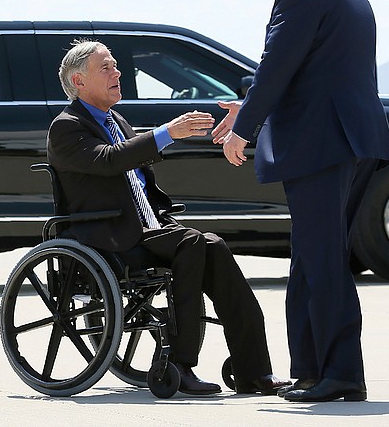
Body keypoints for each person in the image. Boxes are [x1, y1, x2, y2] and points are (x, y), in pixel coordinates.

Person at [212, 0, 389, 402]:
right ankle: (312, 369)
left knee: (321, 261)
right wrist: (252, 104)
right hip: (349, 141)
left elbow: (278, 64)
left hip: (321, 145)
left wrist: (243, 126)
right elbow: (310, 69)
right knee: (314, 258)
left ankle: (341, 374)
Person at [47, 39, 289, 396]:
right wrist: (165, 134)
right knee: (191, 243)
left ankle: (253, 370)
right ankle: (180, 363)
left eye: (116, 66)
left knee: (214, 246)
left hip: (148, 228)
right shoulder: (67, 127)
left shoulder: (117, 121)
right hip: (105, 235)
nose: (117, 73)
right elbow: (109, 160)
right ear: (79, 81)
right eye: (107, 68)